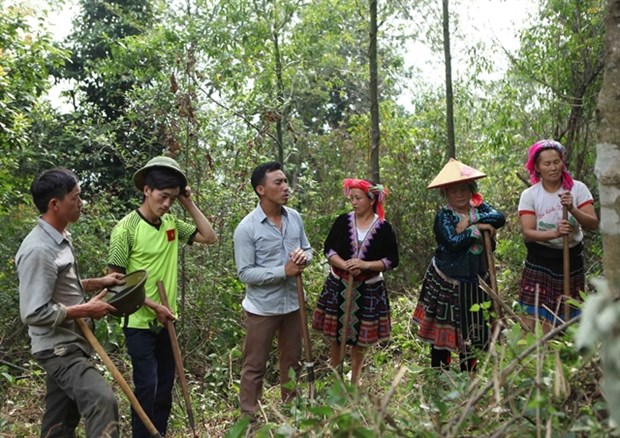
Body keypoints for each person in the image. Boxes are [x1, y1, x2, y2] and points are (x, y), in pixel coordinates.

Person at [107, 156, 217, 438]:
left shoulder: (171, 224)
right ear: (147, 190)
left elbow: (209, 236)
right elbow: (115, 283)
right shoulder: (126, 229)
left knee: (164, 390)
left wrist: (188, 202)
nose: (166, 203)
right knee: (147, 387)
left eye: (172, 198)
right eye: (163, 196)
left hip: (167, 320)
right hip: (139, 321)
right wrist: (153, 305)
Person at [17, 168, 125, 438]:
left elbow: (57, 287)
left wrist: (99, 282)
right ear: (55, 204)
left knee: (60, 424)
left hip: (71, 342)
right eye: (75, 198)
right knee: (102, 401)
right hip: (59, 349)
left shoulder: (60, 238)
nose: (81, 203)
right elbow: (33, 312)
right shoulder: (39, 249)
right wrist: (88, 309)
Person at [233, 161, 312, 419]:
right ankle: (250, 418)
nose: (285, 187)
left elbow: (308, 249)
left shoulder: (295, 217)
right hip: (262, 308)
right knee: (254, 365)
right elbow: (245, 273)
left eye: (285, 181)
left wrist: (304, 257)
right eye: (278, 182)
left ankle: (292, 413)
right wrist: (283, 271)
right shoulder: (247, 228)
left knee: (292, 362)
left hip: (292, 304)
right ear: (261, 189)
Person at [412, 158, 505, 371]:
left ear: (471, 189)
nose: (460, 194)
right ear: (446, 194)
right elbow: (453, 243)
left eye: (464, 189)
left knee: (474, 327)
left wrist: (474, 222)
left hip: (476, 279)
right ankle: (440, 372)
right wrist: (478, 231)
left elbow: (499, 218)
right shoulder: (444, 216)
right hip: (448, 278)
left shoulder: (479, 208)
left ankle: (469, 374)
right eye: (454, 191)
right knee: (442, 329)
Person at [312, 179, 399, 385]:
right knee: (335, 334)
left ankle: (355, 378)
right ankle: (336, 374)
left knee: (361, 338)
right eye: (351, 198)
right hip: (339, 285)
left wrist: (365, 265)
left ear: (371, 200)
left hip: (369, 289)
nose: (353, 202)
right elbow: (329, 250)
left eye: (358, 198)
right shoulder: (343, 222)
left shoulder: (384, 228)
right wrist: (344, 264)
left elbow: (391, 260)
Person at [518, 139, 599, 331]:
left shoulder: (577, 189)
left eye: (556, 162)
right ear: (537, 167)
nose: (553, 167)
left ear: (562, 162)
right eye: (547, 163)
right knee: (534, 318)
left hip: (570, 258)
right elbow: (528, 232)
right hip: (540, 259)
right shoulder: (530, 195)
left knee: (568, 312)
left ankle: (565, 351)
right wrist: (554, 233)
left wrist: (572, 209)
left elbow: (593, 223)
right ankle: (535, 352)